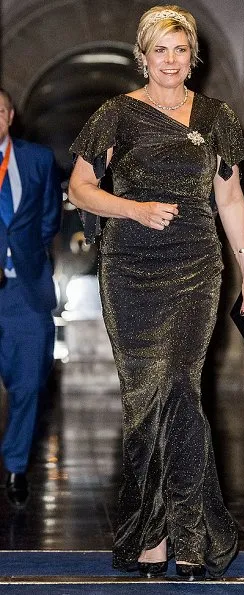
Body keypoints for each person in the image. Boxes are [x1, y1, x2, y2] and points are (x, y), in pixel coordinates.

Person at [69, 4, 244, 579]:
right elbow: (80, 187)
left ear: (192, 56)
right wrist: (133, 208)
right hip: (130, 269)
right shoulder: (116, 115)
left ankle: (191, 535)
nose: (172, 60)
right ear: (144, 55)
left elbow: (230, 200)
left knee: (180, 388)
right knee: (143, 400)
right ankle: (151, 533)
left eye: (181, 49)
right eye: (161, 49)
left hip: (197, 267)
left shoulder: (216, 116)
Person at [0, 88, 62, 507]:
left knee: (27, 384)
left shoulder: (38, 160)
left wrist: (21, 253)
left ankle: (15, 467)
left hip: (25, 288)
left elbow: (48, 218)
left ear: (10, 115)